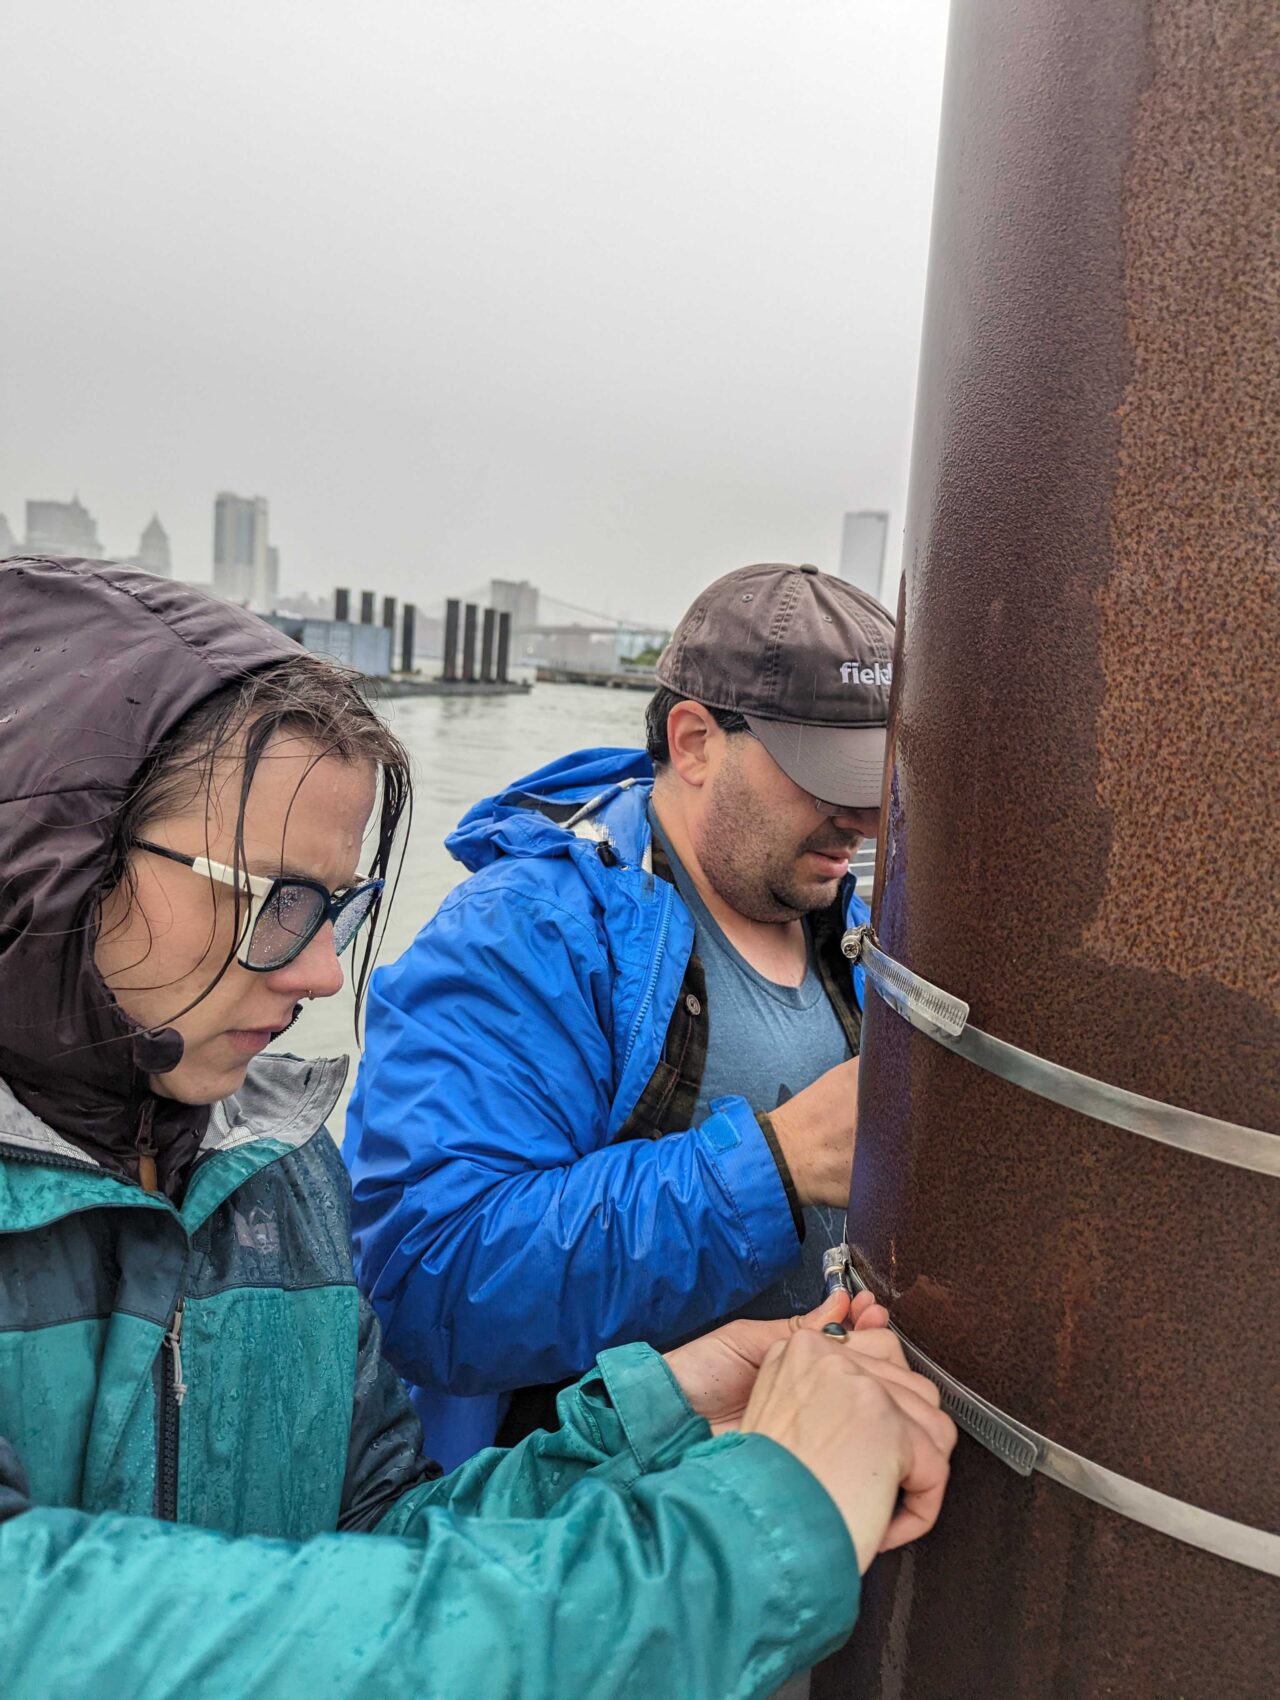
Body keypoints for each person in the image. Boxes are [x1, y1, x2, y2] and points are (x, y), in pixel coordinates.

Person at [0, 557, 955, 1700]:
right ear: (59, 862)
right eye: (273, 898)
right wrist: (748, 1525)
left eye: (340, 907)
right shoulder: (527, 935)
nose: (319, 974)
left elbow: (385, 1542)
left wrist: (655, 1421)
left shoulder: (280, 1170)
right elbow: (55, 1629)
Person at [346, 563, 893, 1468]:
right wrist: (778, 1163)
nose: (862, 821)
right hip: (579, 1524)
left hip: (798, 1509)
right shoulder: (522, 933)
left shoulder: (857, 926)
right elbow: (427, 1280)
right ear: (694, 741)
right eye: (826, 780)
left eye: (877, 784)